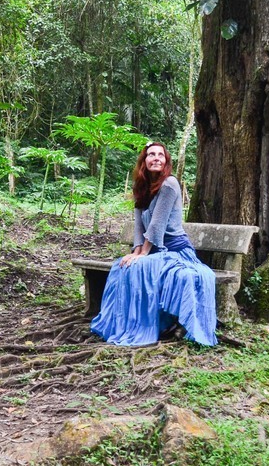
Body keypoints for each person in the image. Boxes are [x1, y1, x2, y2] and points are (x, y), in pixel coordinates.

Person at [90, 142, 218, 347]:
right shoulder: (141, 188)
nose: (156, 158)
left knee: (139, 267)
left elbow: (157, 224)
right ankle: (125, 325)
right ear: (144, 161)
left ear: (166, 161)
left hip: (176, 251)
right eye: (151, 154)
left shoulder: (169, 184)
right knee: (121, 267)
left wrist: (143, 255)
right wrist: (136, 251)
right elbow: (140, 226)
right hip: (155, 251)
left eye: (161, 155)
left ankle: (152, 326)